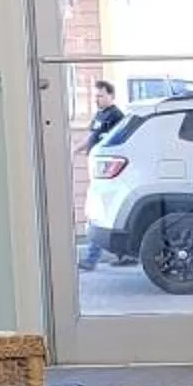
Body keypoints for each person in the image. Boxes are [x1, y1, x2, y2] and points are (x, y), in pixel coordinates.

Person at [76, 81, 124, 269]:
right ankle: (124, 256)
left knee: (97, 212)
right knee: (106, 211)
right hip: (97, 171)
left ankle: (91, 258)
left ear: (111, 96)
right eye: (96, 95)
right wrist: (74, 150)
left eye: (101, 95)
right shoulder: (99, 115)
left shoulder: (116, 116)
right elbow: (91, 137)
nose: (97, 99)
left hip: (107, 173)